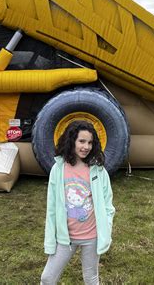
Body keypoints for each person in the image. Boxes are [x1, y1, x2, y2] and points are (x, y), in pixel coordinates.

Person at [41, 120, 115, 285]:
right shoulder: (58, 169)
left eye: (90, 142)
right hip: (65, 237)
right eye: (81, 141)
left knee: (91, 279)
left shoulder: (98, 170)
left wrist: (106, 227)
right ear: (72, 140)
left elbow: (108, 205)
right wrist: (51, 237)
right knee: (47, 278)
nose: (86, 146)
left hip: (92, 236)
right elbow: (52, 207)